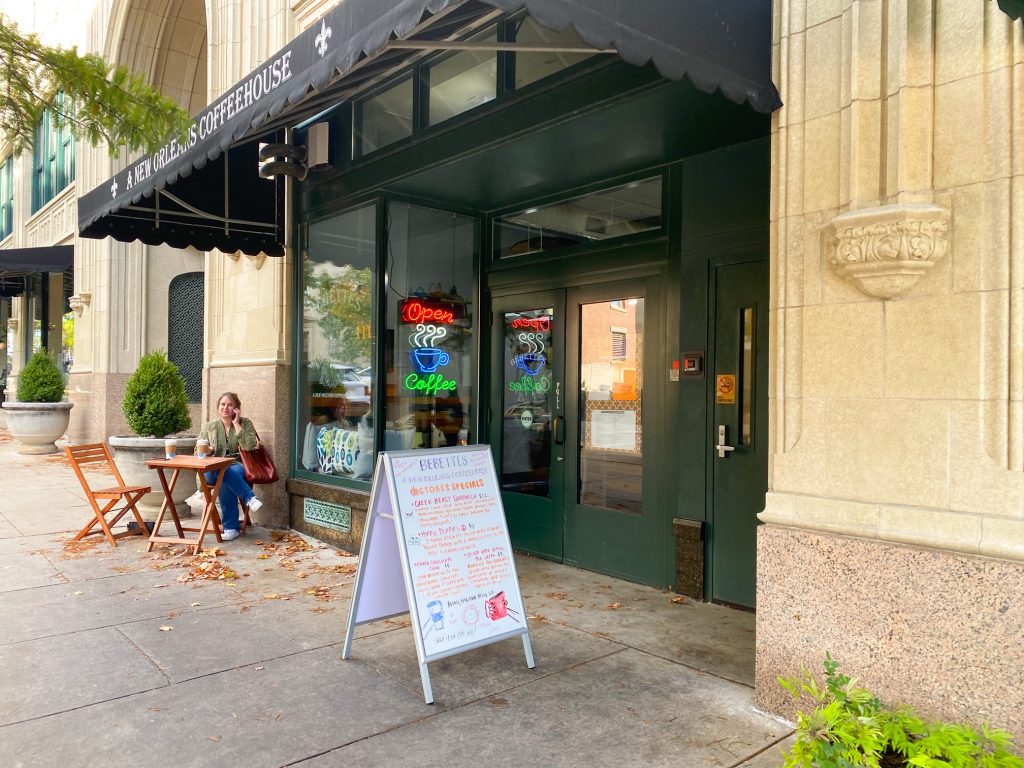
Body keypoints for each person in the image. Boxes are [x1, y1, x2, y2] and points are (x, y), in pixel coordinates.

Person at [195, 391, 263, 541]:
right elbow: (197, 451)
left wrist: (237, 424)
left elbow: (249, 446)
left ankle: (231, 528)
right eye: (222, 404)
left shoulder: (245, 423)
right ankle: (249, 498)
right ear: (218, 407)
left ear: (236, 408)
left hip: (237, 465)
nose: (225, 407)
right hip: (211, 468)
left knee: (225, 476)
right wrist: (208, 450)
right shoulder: (210, 426)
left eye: (230, 405)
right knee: (221, 471)